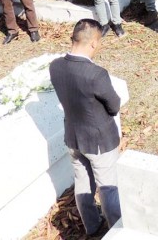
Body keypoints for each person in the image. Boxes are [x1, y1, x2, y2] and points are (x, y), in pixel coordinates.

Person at [49, 18, 122, 237]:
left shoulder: (56, 66)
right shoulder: (96, 74)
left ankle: (92, 226)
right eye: (99, 44)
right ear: (93, 43)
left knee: (82, 182)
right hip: (99, 140)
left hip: (73, 136)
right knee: (107, 185)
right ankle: (117, 229)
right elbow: (114, 105)